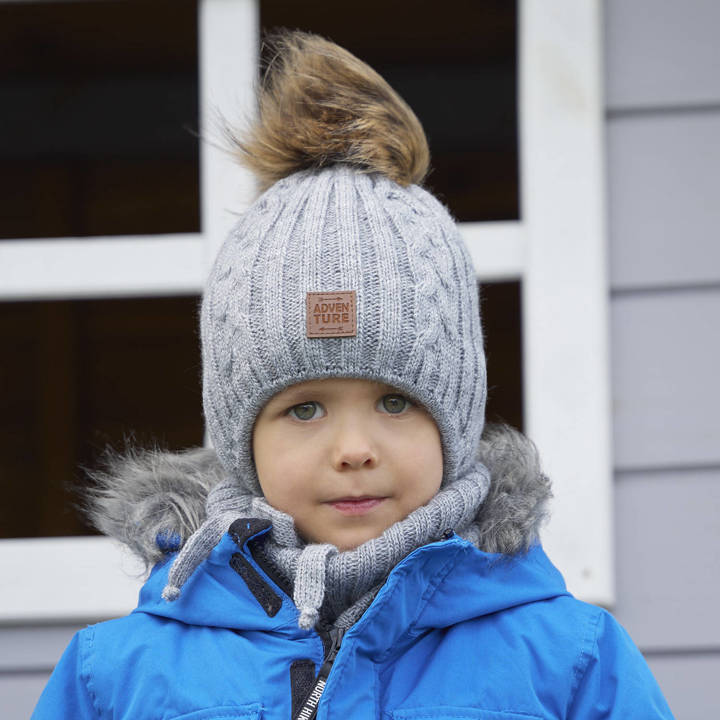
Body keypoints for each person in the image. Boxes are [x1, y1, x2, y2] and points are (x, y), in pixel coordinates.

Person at [33, 30, 674, 720]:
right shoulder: (118, 677)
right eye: (304, 409)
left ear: (454, 421)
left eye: (396, 401)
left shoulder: (568, 661)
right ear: (239, 438)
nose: (354, 448)